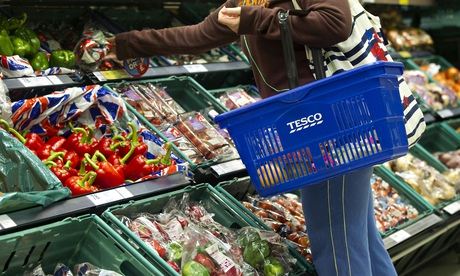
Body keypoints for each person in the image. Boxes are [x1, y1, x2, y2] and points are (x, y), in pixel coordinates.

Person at [106, 1, 398, 275]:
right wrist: (125, 44)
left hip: (332, 126)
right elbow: (200, 34)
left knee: (337, 247)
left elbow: (335, 23)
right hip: (310, 129)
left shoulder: (256, 10)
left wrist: (255, 20)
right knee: (361, 240)